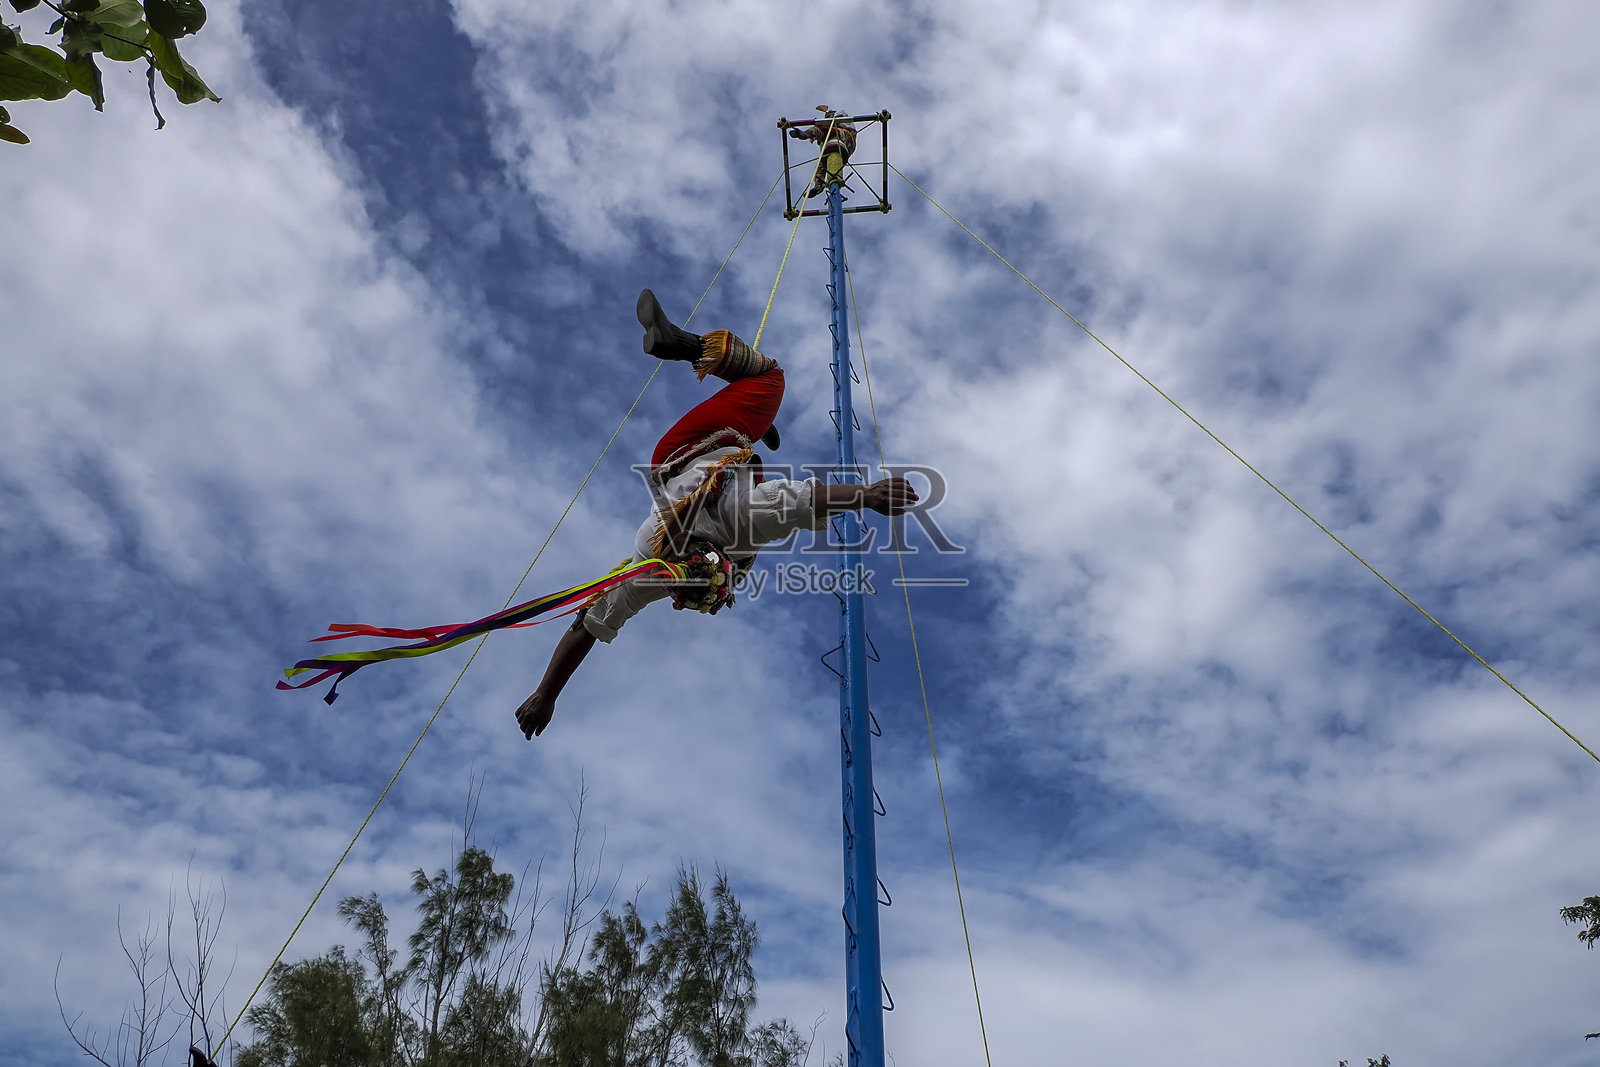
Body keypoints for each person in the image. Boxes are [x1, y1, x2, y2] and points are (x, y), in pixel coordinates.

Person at [515, 290, 917, 739]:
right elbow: (590, 624)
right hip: (678, 456)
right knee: (757, 413)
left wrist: (869, 495)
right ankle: (757, 421)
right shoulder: (673, 562)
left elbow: (589, 623)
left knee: (770, 377)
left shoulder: (687, 552)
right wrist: (546, 694)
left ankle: (684, 348)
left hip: (702, 443)